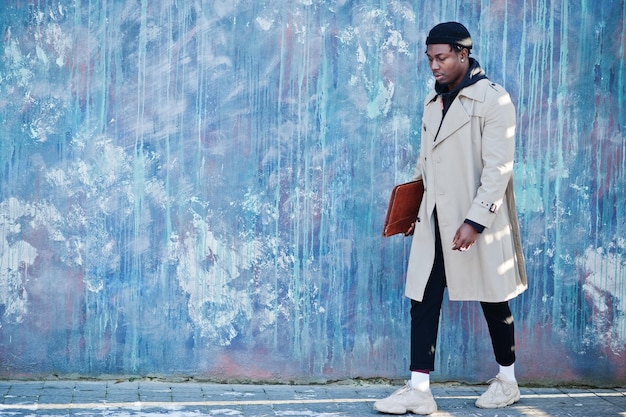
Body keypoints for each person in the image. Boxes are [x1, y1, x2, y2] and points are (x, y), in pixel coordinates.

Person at [374, 22, 528, 415]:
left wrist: (476, 222)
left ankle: (507, 381)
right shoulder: (433, 101)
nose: (434, 66)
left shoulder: (494, 101)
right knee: (423, 298)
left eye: (441, 57)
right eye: (430, 59)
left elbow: (499, 170)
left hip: (475, 221)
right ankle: (419, 389)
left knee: (494, 298)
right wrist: (411, 209)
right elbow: (426, 162)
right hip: (434, 219)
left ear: (463, 53)